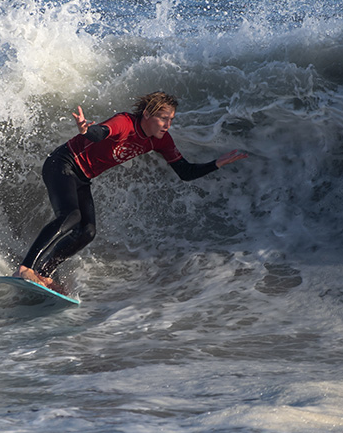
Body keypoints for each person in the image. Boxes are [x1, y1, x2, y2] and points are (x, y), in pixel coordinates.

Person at [15, 91, 248, 294]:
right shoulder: (124, 122)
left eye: (171, 120)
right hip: (63, 164)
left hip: (82, 177)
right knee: (71, 216)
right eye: (163, 119)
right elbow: (101, 132)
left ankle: (44, 273)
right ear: (147, 114)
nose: (167, 125)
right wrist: (86, 130)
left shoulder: (161, 140)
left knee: (87, 231)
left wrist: (216, 163)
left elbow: (185, 172)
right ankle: (26, 268)